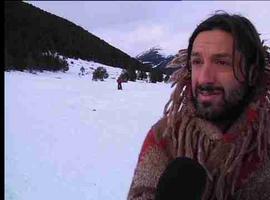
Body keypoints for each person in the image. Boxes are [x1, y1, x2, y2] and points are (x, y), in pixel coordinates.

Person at [128, 12, 270, 200]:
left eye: (221, 62)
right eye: (197, 62)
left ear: (252, 73)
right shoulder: (166, 136)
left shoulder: (265, 141)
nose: (204, 78)